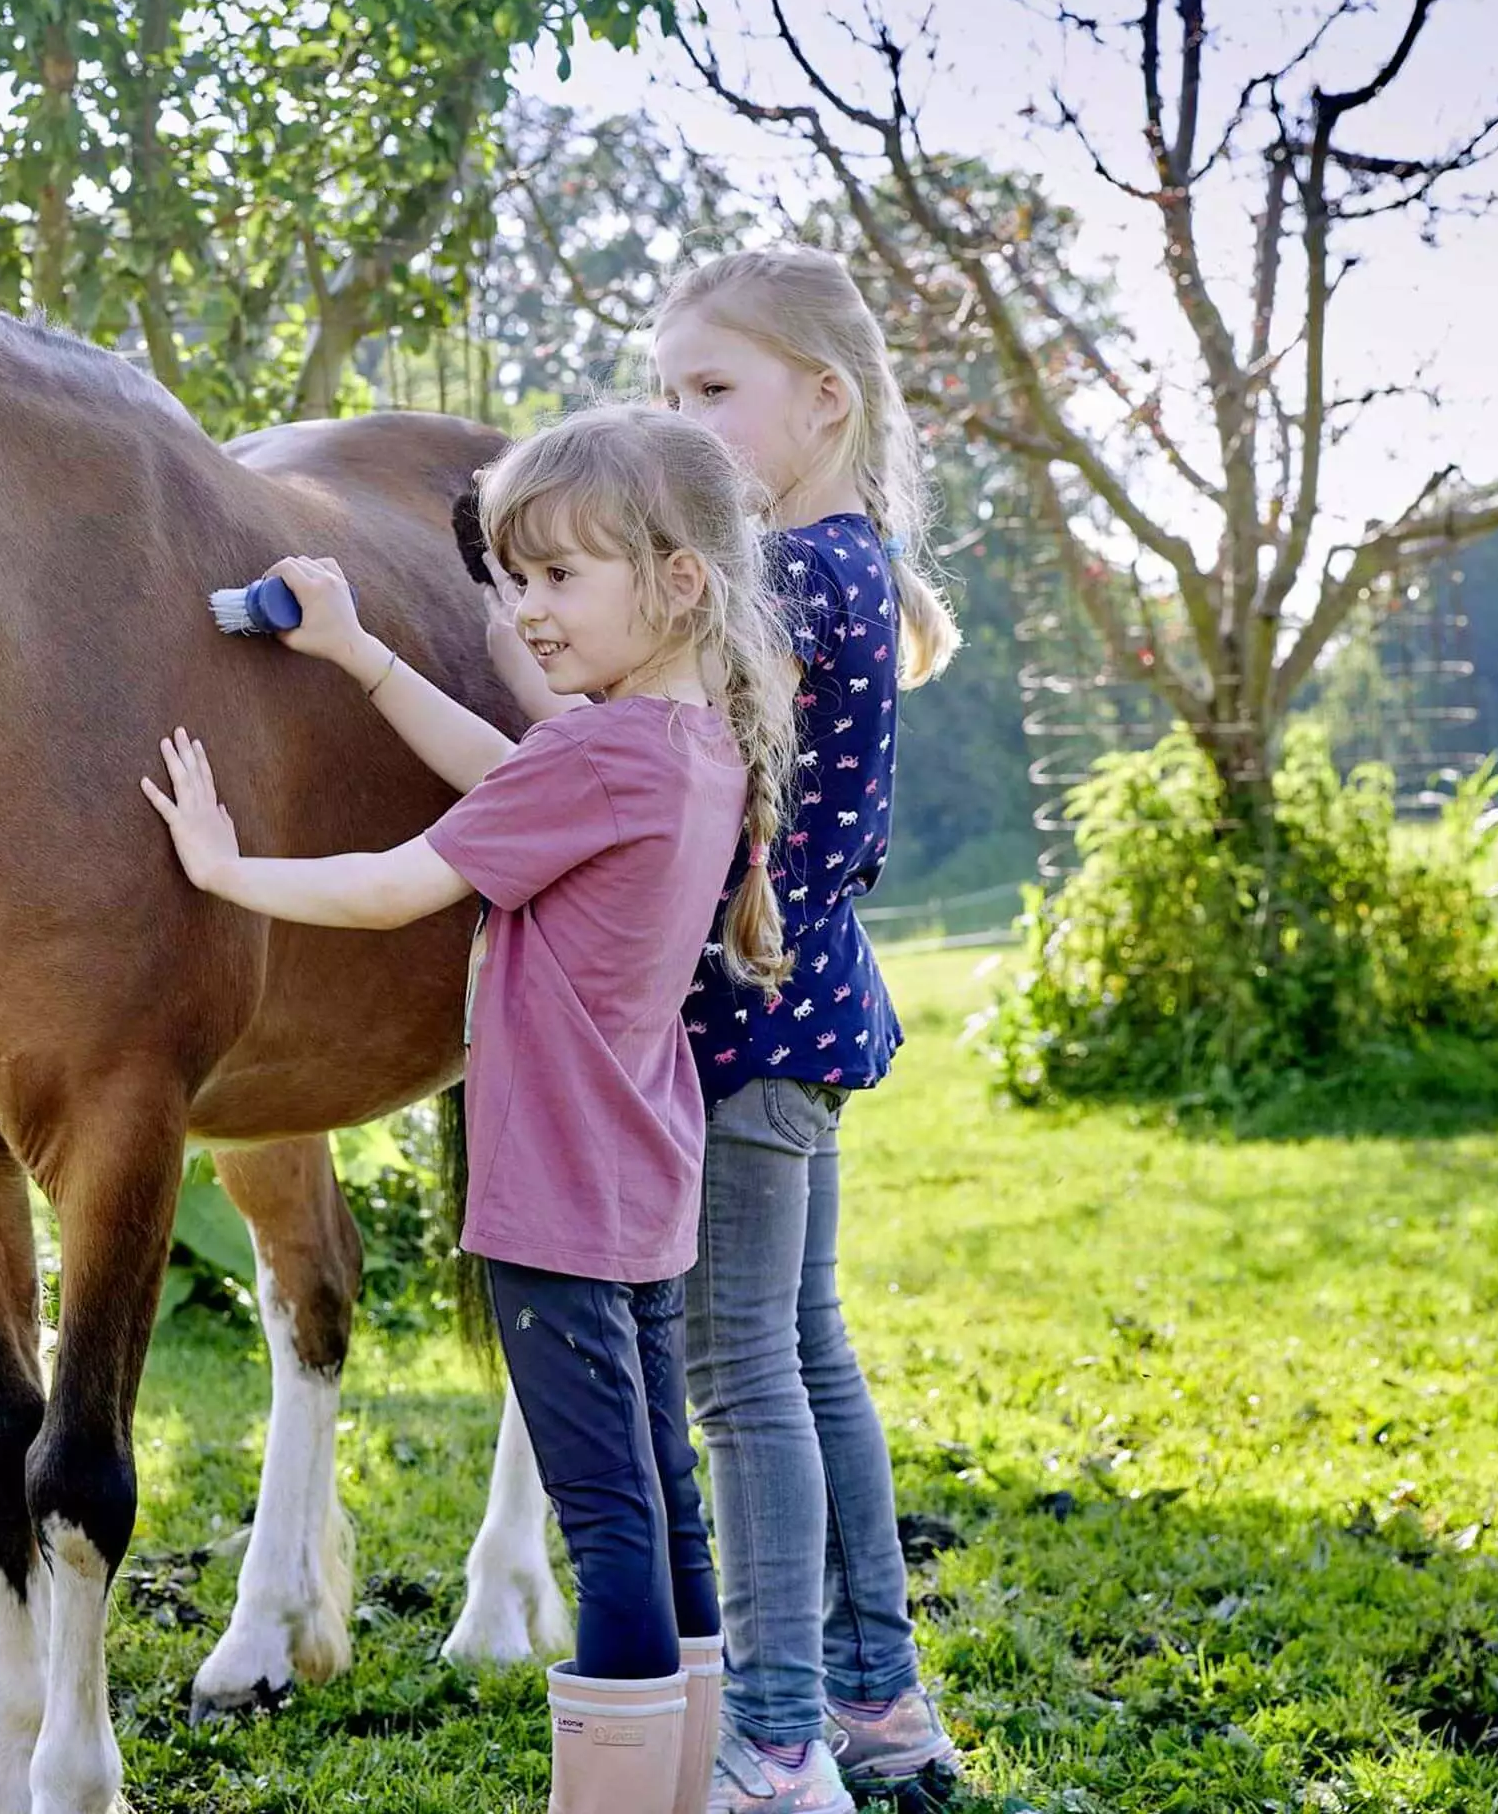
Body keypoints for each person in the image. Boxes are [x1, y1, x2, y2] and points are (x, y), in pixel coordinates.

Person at [142, 405, 798, 1814]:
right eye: (517, 579)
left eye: (560, 579)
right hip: (644, 1186)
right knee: (663, 1502)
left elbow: (395, 884)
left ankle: (612, 1798)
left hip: (551, 1202)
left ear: (677, 583)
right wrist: (365, 656)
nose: (528, 612)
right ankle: (694, 1780)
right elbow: (515, 777)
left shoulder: (595, 757)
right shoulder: (693, 748)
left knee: (611, 1526)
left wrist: (224, 865)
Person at [499, 245, 958, 1812]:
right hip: (809, 1003)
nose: (680, 417)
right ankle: (880, 1698)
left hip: (750, 1018)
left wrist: (530, 625)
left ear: (824, 401)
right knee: (808, 1360)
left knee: (745, 1377)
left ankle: (772, 1733)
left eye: (711, 392)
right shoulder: (856, 559)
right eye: (665, 389)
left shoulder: (798, 575)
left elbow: (637, 732)